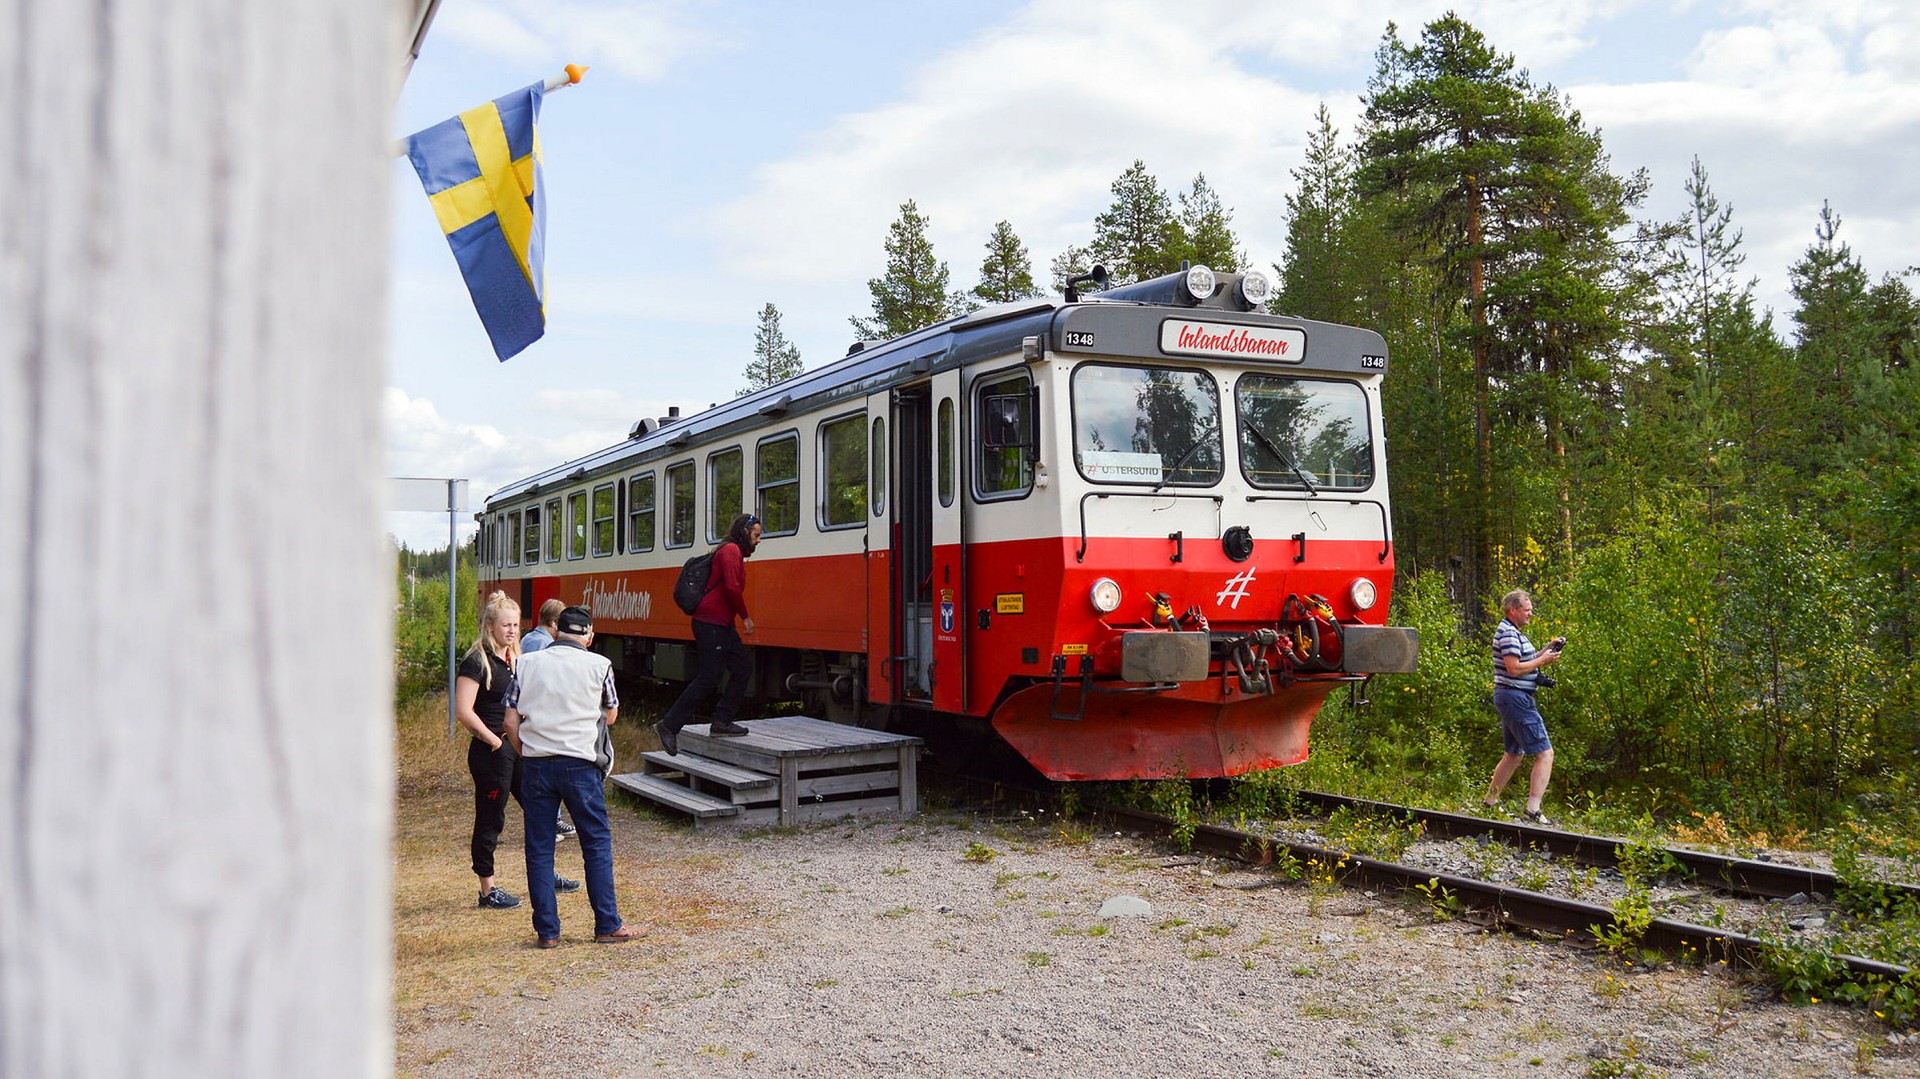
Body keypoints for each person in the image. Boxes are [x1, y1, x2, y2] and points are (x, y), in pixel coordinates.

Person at [505, 605, 647, 948]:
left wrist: (526, 750)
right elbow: (611, 715)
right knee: (595, 844)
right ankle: (607, 924)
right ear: (589, 636)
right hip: (581, 766)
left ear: (556, 632)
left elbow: (510, 720)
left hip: (537, 764)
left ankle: (548, 932)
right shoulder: (600, 665)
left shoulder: (526, 663)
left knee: (539, 849)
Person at [454, 593, 580, 910]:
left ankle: (545, 875)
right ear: (490, 627)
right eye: (506, 625)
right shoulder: (477, 661)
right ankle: (487, 890)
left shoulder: (517, 658)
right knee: (490, 819)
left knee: (541, 810)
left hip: (518, 746)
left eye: (515, 625)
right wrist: (494, 741)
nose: (512, 631)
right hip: (491, 751)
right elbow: (463, 711)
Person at [657, 513, 763, 755]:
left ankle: (721, 722)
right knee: (708, 678)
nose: (759, 541)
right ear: (745, 532)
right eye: (757, 535)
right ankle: (668, 726)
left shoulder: (733, 551)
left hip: (721, 624)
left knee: (742, 668)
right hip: (710, 623)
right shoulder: (730, 551)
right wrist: (745, 616)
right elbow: (731, 587)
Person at [1482, 589, 1565, 825]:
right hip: (1516, 698)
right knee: (1545, 754)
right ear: (1512, 610)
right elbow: (1514, 668)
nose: (1530, 614)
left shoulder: (1513, 632)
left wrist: (1545, 651)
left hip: (1511, 697)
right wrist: (1543, 661)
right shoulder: (1508, 633)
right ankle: (1533, 809)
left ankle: (1490, 802)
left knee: (1513, 754)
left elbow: (1524, 662)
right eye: (1527, 610)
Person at [519, 598, 578, 841]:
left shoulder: (529, 639)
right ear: (554, 622)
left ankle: (551, 821)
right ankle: (550, 823)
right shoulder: (543, 645)